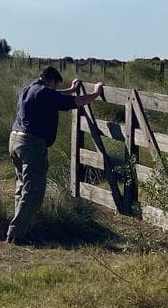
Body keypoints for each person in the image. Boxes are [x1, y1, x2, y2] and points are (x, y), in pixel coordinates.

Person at [6, 66, 104, 244]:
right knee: (33, 191)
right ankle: (16, 234)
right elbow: (74, 102)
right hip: (32, 144)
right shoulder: (46, 93)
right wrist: (96, 93)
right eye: (55, 85)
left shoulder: (29, 88)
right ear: (51, 81)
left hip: (15, 141)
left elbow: (53, 95)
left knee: (21, 188)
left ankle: (21, 230)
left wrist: (71, 90)